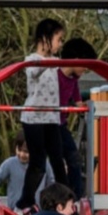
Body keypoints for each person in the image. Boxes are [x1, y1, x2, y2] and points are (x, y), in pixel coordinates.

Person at [21, 18, 69, 198]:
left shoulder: (56, 61)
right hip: (33, 119)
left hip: (51, 118)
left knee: (58, 160)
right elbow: (33, 71)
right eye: (58, 39)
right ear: (45, 39)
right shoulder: (31, 60)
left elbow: (66, 76)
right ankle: (24, 201)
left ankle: (67, 199)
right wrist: (46, 62)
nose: (60, 44)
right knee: (38, 163)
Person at [56, 37, 98, 198]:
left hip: (61, 124)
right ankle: (62, 195)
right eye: (84, 65)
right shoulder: (55, 75)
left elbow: (77, 97)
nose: (85, 70)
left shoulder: (73, 79)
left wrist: (82, 105)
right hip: (48, 124)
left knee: (74, 158)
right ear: (75, 60)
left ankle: (76, 196)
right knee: (57, 162)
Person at [0, 131, 55, 214]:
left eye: (26, 152)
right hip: (15, 213)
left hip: (37, 212)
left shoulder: (44, 164)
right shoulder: (9, 164)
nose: (22, 154)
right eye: (19, 150)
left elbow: (52, 185)